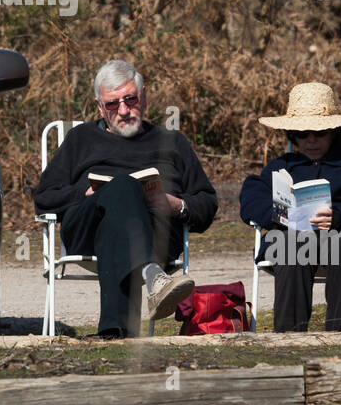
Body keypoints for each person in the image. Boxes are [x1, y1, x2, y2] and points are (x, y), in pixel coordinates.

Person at [33, 59, 218, 337]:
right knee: (123, 186)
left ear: (143, 98)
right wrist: (84, 192)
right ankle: (153, 275)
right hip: (87, 228)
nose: (123, 110)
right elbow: (44, 198)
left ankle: (114, 331)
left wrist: (176, 205)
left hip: (157, 233)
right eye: (112, 104)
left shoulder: (173, 142)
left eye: (130, 99)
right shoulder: (80, 139)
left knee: (120, 215)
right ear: (99, 107)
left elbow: (207, 202)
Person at [239, 82, 341, 332]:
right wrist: (279, 214)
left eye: (319, 133)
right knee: (291, 245)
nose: (311, 140)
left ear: (333, 131)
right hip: (296, 236)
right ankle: (289, 334)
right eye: (303, 134)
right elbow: (251, 198)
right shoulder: (283, 166)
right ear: (292, 135)